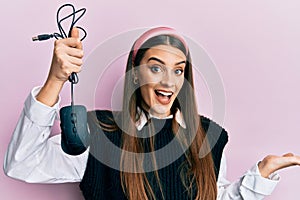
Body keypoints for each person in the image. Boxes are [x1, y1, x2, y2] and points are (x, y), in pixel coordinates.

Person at [3, 26, 300, 200]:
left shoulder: (211, 136)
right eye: (156, 68)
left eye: (178, 71)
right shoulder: (99, 132)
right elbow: (22, 164)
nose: (169, 82)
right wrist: (55, 79)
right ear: (134, 76)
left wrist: (259, 176)